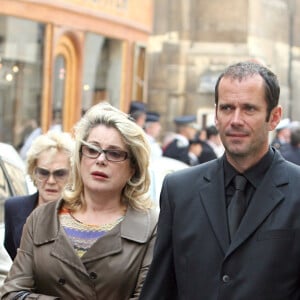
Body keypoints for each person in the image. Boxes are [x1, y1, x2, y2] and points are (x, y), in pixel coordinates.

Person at [140, 61, 300, 300]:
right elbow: (161, 287)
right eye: (226, 108)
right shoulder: (179, 190)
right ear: (215, 114)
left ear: (274, 117)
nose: (235, 120)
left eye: (249, 109)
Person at [1, 102, 158, 299]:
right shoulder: (42, 218)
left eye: (114, 153)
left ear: (133, 168)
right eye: (92, 149)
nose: (100, 159)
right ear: (80, 156)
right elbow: (11, 293)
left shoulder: (151, 226)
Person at [4, 130, 74, 260]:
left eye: (60, 174)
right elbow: (11, 262)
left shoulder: (83, 213)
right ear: (33, 172)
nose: (51, 181)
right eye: (43, 172)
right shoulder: (14, 208)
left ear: (72, 175)